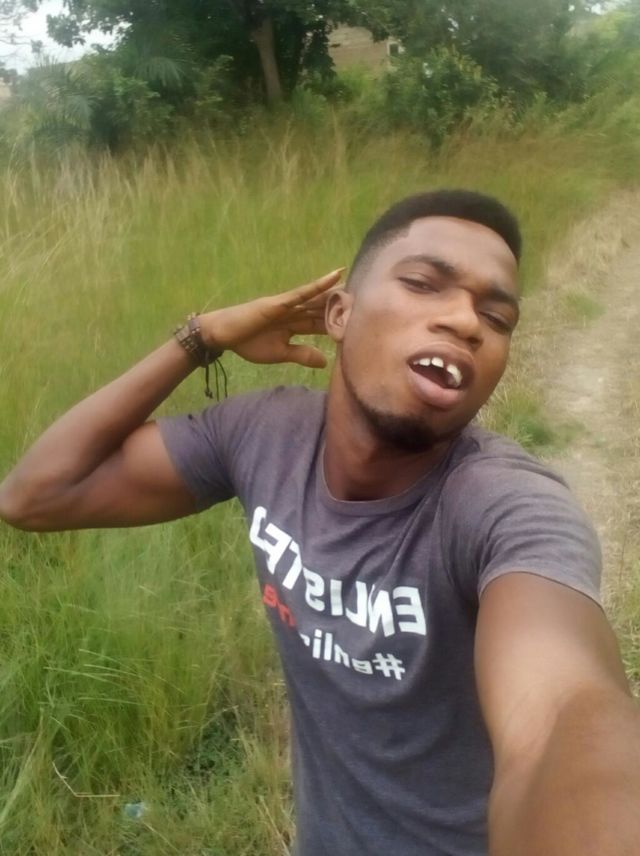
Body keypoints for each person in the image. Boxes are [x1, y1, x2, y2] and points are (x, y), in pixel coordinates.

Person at [0, 189, 638, 856]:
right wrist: (203, 337)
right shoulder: (263, 435)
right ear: (340, 313)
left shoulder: (507, 507)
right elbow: (37, 495)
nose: (465, 321)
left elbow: (560, 716)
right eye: (424, 283)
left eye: (496, 317)